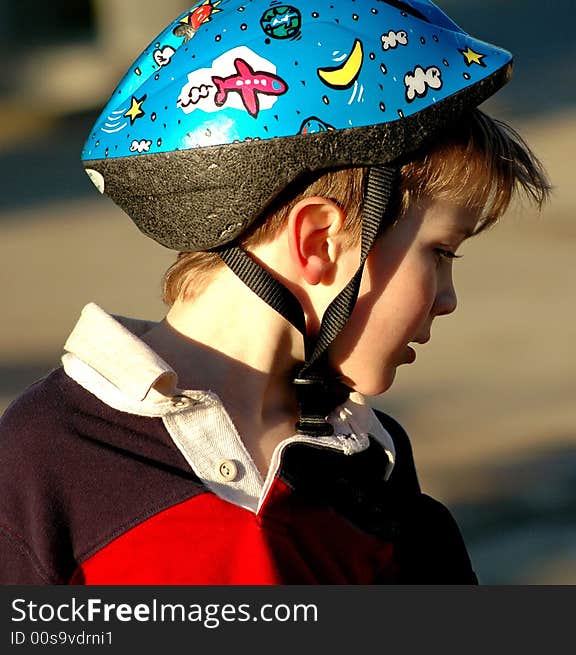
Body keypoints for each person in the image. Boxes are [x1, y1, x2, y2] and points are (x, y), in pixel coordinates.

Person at [0, 0, 548, 584]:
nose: (447, 298)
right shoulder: (47, 465)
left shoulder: (368, 463)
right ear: (318, 241)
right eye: (439, 254)